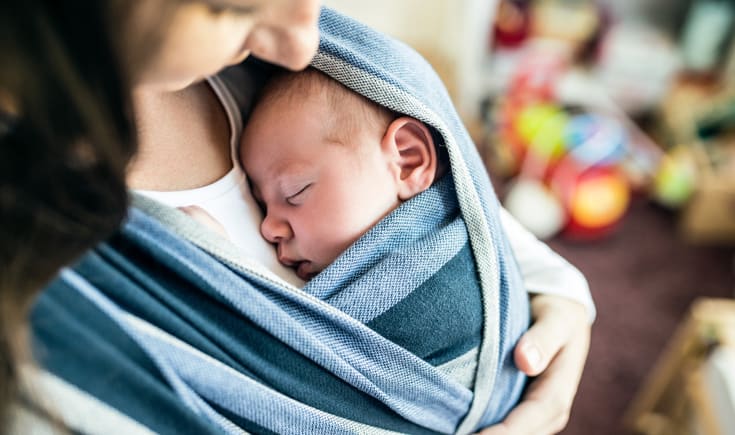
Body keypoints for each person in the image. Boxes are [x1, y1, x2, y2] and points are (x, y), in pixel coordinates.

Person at [1, 1, 592, 434]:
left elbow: (452, 204)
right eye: (233, 8)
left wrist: (563, 294)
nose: (303, 41)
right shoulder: (43, 277)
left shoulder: (314, 77)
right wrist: (221, 281)